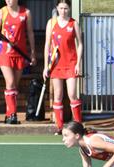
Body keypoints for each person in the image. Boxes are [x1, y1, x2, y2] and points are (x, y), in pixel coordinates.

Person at [0, 0, 37, 124]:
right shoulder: (1, 12)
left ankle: (8, 115)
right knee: (10, 82)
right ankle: (13, 115)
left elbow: (30, 33)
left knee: (14, 86)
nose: (9, 0)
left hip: (20, 52)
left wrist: (32, 53)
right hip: (4, 52)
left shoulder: (26, 12)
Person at [43, 0, 83, 134]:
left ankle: (78, 125)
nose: (63, 11)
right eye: (61, 8)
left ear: (69, 9)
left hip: (71, 63)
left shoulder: (74, 23)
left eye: (66, 8)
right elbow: (47, 45)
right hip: (56, 64)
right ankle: (59, 127)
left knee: (72, 94)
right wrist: (45, 66)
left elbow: (80, 44)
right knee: (58, 95)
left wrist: (78, 63)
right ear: (57, 8)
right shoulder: (51, 22)